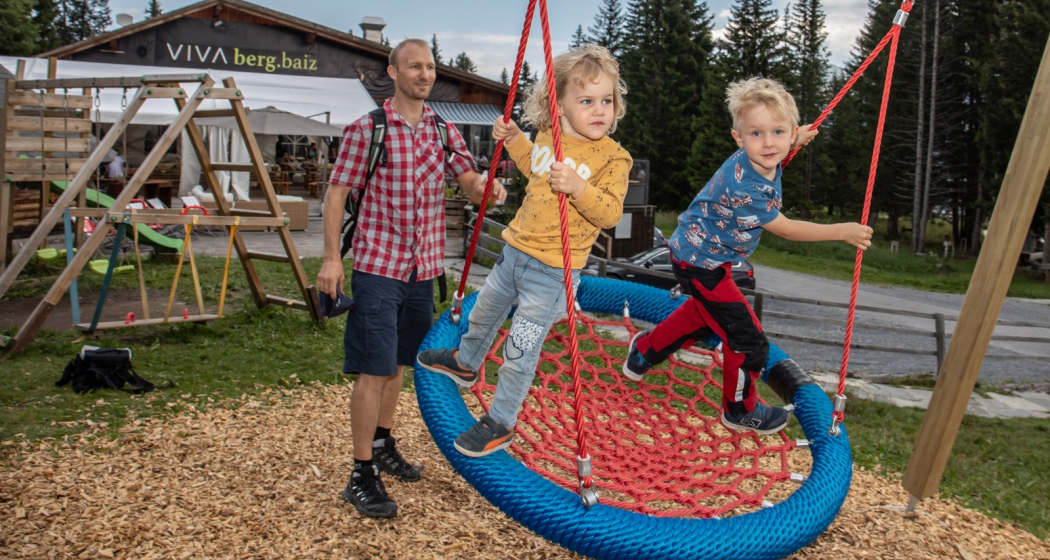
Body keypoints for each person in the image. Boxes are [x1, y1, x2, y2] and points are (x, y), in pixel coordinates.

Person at [317, 38, 506, 519]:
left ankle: (382, 443)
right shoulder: (368, 129)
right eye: (415, 66)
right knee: (373, 368)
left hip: (424, 270)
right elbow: (336, 194)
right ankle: (360, 473)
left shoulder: (443, 129)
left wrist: (486, 187)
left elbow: (467, 179)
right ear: (393, 73)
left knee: (399, 363)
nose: (425, 74)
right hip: (378, 268)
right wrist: (331, 260)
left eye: (430, 67)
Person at [621, 77, 872, 435]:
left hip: (698, 254)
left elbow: (775, 145)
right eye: (756, 134)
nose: (768, 142)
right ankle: (738, 410)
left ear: (790, 133)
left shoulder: (761, 157)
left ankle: (644, 351)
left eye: (778, 132)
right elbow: (786, 228)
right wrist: (841, 231)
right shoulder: (745, 185)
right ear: (739, 139)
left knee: (705, 315)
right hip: (701, 264)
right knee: (747, 338)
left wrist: (795, 139)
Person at [417, 44, 632, 458]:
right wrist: (515, 139)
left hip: (550, 277)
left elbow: (609, 213)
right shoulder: (550, 137)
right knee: (482, 314)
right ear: (560, 107)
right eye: (586, 101)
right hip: (512, 257)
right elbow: (534, 165)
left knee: (520, 349)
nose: (599, 110)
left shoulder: (613, 158)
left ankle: (500, 422)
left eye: (606, 101)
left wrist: (579, 188)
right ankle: (466, 362)